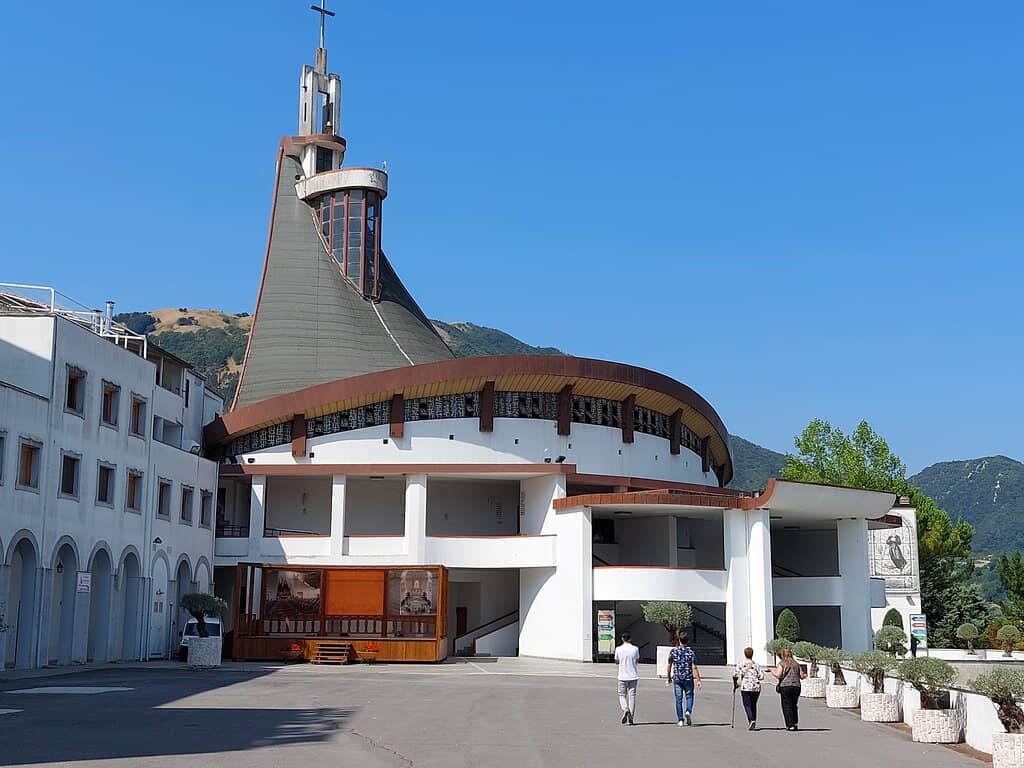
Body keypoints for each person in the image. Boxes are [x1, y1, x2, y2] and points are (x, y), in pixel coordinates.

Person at [665, 632, 702, 726]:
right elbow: (694, 667)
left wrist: (668, 677)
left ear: (679, 640)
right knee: (689, 696)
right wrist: (698, 680)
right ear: (687, 641)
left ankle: (680, 719)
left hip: (677, 678)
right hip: (688, 677)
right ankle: (688, 711)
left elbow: (669, 665)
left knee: (678, 699)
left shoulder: (674, 651)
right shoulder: (690, 652)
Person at [771, 647, 806, 731]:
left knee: (787, 705)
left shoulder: (782, 663)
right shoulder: (796, 664)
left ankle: (790, 724)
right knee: (794, 705)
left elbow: (778, 675)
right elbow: (801, 676)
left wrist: (772, 671)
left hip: (785, 686)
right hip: (796, 686)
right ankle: (795, 722)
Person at [733, 646, 764, 730]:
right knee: (753, 704)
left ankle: (751, 719)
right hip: (756, 687)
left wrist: (735, 684)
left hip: (746, 686)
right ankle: (753, 721)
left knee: (747, 704)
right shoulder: (756, 664)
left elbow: (735, 675)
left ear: (745, 654)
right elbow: (761, 676)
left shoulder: (741, 664)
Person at [614, 632, 640, 725]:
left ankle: (625, 709)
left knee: (621, 695)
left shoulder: (618, 649)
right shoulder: (635, 649)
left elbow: (617, 661)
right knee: (632, 696)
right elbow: (637, 660)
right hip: (633, 675)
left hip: (622, 675)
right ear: (630, 639)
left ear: (622, 639)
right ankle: (631, 716)